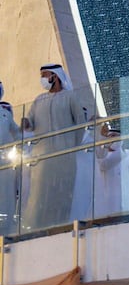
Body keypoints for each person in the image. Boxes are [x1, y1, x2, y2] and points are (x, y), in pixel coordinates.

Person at [20, 64, 91, 229]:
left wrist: (71, 145)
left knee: (61, 194)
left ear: (55, 76)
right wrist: (26, 123)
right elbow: (30, 122)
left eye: (45, 75)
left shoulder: (70, 97)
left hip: (65, 156)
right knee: (40, 195)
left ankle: (60, 228)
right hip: (43, 157)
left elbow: (80, 123)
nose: (43, 79)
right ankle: (37, 228)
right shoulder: (39, 100)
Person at [0, 100, 21, 235]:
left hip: (5, 163)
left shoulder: (5, 115)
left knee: (6, 196)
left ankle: (5, 227)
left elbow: (18, 134)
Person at [93, 126, 123, 217]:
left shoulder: (124, 153)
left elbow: (103, 164)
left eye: (114, 136)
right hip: (105, 194)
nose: (111, 139)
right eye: (109, 136)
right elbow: (102, 164)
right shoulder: (103, 154)